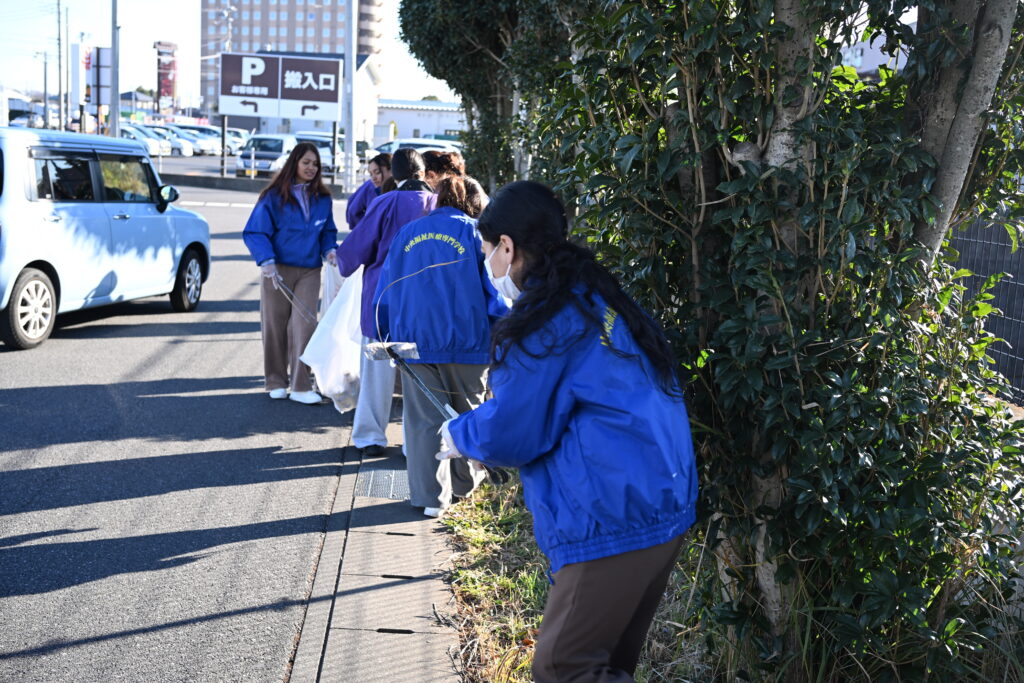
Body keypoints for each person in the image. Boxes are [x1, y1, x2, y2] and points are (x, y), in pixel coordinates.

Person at [437, 181, 698, 682]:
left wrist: (460, 433)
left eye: (487, 251)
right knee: (607, 663)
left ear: (507, 246)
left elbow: (515, 429)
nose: (487, 264)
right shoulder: (592, 298)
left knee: (563, 667)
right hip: (659, 500)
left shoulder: (546, 321)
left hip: (613, 517)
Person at [374, 176, 505, 516]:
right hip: (468, 341)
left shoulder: (407, 234)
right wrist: (503, 329)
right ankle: (464, 487)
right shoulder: (476, 234)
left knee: (423, 423)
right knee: (468, 414)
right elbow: (494, 291)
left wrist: (385, 332)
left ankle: (431, 498)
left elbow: (386, 289)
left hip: (413, 342)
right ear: (475, 203)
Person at [335, 148, 436, 455]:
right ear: (423, 172)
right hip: (425, 302)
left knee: (376, 375)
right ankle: (414, 444)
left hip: (383, 298)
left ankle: (370, 437)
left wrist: (341, 261)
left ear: (396, 173)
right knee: (418, 377)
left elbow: (356, 247)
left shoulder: (386, 202)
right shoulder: (438, 203)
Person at [242, 142, 338, 405]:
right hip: (277, 269)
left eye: (315, 164)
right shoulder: (273, 196)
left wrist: (330, 250)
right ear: (294, 163)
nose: (311, 168)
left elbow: (328, 231)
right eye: (306, 162)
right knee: (274, 325)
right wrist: (266, 260)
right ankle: (275, 381)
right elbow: (255, 231)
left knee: (304, 324)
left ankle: (300, 386)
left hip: (310, 270)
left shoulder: (323, 198)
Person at [345, 153, 392, 229]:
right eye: (371, 174)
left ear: (391, 170)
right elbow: (353, 211)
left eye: (377, 172)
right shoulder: (370, 186)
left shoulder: (400, 190)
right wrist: (368, 229)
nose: (373, 178)